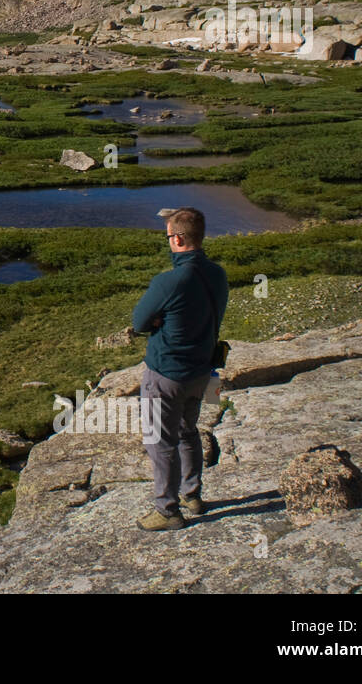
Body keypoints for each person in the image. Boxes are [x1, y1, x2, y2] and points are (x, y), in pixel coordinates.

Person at [130, 207, 228, 531]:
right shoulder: (218, 274)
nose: (168, 240)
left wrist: (161, 320)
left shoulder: (169, 281)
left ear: (177, 238)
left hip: (166, 374)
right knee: (188, 432)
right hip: (202, 372)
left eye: (168, 236)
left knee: (160, 440)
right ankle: (193, 495)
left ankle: (167, 511)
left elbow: (139, 322)